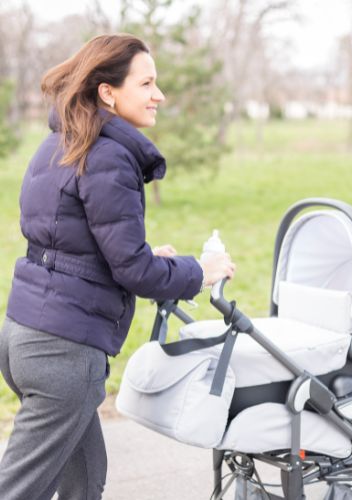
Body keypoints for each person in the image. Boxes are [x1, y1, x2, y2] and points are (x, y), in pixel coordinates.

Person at [0, 33, 235, 500]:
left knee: (84, 481)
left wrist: (151, 259)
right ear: (108, 92)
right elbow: (134, 273)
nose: (159, 95)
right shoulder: (108, 156)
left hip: (24, 334)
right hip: (62, 353)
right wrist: (201, 271)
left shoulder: (61, 144)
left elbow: (75, 248)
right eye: (146, 83)